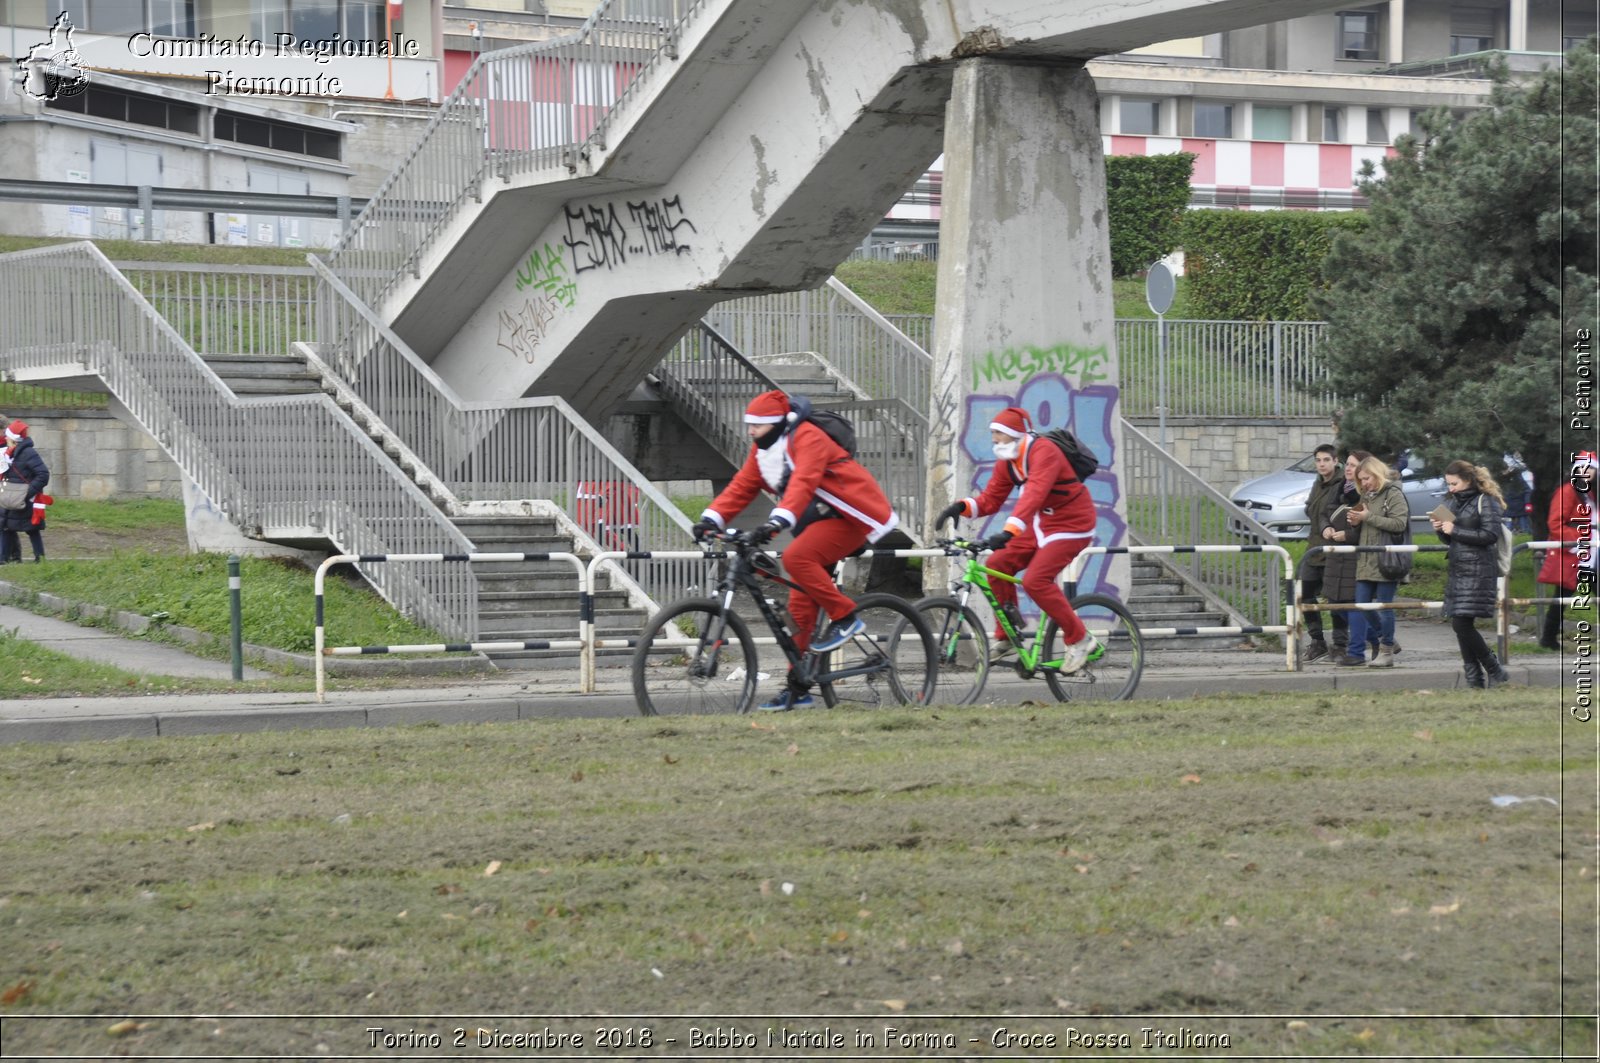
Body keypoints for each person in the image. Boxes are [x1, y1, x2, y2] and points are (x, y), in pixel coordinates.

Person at [692, 391, 898, 711]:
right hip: (817, 521)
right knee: (799, 614)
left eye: (757, 426)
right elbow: (743, 485)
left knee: (796, 557)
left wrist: (775, 522)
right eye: (749, 425)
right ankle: (797, 688)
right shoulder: (763, 451)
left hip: (853, 516)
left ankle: (845, 617)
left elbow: (804, 481)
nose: (750, 432)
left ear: (776, 424)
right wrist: (710, 518)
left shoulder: (808, 437)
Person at [933, 406, 1102, 674]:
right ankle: (1007, 636)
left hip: (1072, 524)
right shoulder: (1009, 462)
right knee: (998, 564)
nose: (994, 439)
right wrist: (960, 507)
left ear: (1016, 434)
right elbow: (990, 499)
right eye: (992, 434)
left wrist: (1009, 531)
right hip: (1040, 524)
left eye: (998, 433)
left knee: (1036, 581)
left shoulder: (1044, 451)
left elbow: (1033, 494)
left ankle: (1080, 639)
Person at [1431, 461, 1511, 688]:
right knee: (1460, 622)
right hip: (1459, 570)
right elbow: (1452, 539)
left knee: (1461, 624)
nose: (1451, 488)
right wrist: (1442, 530)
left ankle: (1493, 668)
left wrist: (1455, 529)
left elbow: (1489, 535)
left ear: (1468, 479)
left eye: (1454, 483)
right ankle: (1474, 679)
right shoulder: (1455, 503)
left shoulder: (1486, 501)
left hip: (1479, 570)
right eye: (1448, 484)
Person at [1335, 454, 1408, 668]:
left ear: (1377, 474)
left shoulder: (1393, 493)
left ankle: (1386, 650)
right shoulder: (1367, 496)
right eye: (1361, 480)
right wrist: (1355, 522)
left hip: (1387, 560)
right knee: (1361, 605)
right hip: (1366, 558)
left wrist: (1367, 518)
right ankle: (1387, 639)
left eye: (1367, 478)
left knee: (1385, 607)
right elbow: (1366, 525)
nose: (1364, 483)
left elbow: (1399, 524)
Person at [1537, 451, 1598, 651]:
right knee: (1562, 595)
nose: (1586, 472)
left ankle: (1547, 638)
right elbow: (1555, 524)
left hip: (1592, 551)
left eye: (1591, 469)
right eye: (1583, 468)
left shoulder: (1590, 493)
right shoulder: (1567, 491)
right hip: (1575, 552)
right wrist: (1580, 538)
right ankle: (1547, 638)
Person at [1319, 450, 1370, 664]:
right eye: (1347, 464)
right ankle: (1380, 638)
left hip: (1354, 557)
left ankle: (1371, 642)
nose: (1348, 468)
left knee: (1352, 604)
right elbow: (1324, 513)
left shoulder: (1367, 492)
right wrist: (1326, 528)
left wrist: (1348, 535)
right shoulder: (1339, 487)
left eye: (1353, 465)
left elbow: (1369, 527)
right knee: (1335, 604)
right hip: (1335, 556)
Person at [1299, 443, 1348, 661]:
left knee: (1335, 598)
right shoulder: (1317, 483)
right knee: (1303, 592)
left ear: (1335, 461)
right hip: (1314, 548)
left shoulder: (1343, 484)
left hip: (1334, 550)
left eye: (1326, 460)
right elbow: (1311, 509)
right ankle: (1317, 640)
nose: (1321, 464)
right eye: (1318, 460)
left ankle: (1340, 644)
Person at [0, 420, 49, 564]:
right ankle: (3, 559)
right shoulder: (10, 453)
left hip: (24, 497)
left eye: (8, 436)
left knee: (32, 529)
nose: (5, 438)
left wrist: (28, 492)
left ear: (14, 439)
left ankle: (40, 559)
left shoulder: (28, 453)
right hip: (10, 497)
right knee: (5, 526)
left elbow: (43, 474)